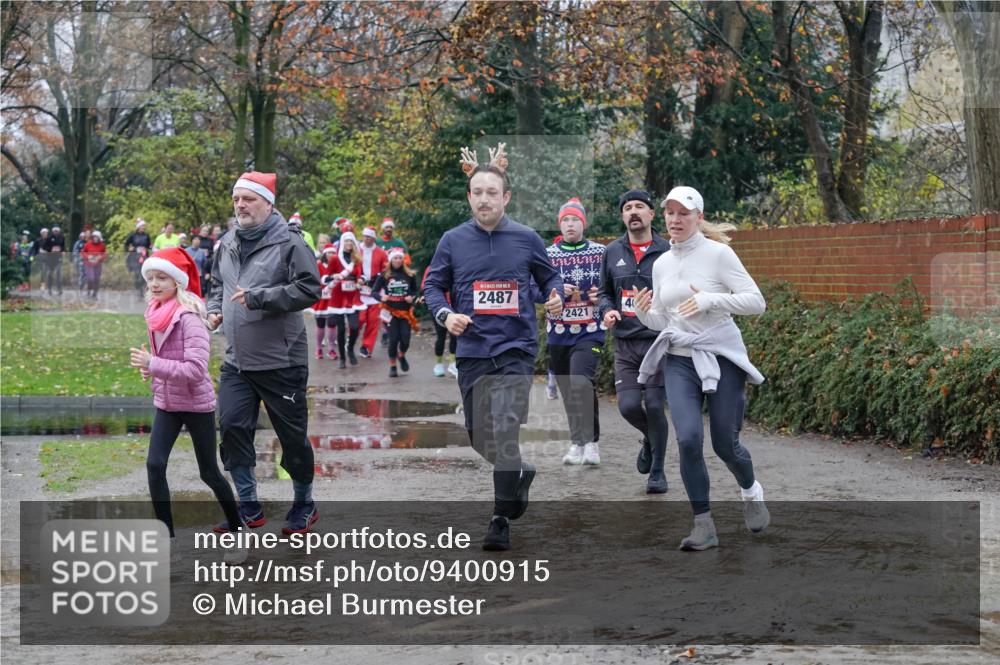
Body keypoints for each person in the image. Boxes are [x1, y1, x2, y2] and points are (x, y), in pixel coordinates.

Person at [424, 143, 563, 551]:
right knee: (478, 436)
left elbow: (548, 277)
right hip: (471, 351)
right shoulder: (452, 240)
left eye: (492, 192)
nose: (484, 199)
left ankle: (499, 518)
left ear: (505, 197)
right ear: (469, 197)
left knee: (504, 432)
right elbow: (433, 287)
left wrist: (554, 295)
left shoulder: (526, 238)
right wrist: (446, 315)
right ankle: (520, 470)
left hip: (516, 348)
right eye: (477, 192)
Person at [634, 186, 769, 551]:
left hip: (721, 355)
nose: (675, 220)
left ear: (698, 217)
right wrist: (643, 313)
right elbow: (664, 318)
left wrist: (710, 298)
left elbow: (757, 303)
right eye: (670, 213)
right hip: (679, 358)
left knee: (726, 444)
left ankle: (750, 490)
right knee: (689, 439)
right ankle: (703, 525)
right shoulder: (661, 264)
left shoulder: (719, 255)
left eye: (683, 213)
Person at [207, 171, 322, 535]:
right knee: (233, 428)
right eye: (236, 199)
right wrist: (214, 310)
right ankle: (249, 506)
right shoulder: (226, 242)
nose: (240, 205)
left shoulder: (291, 243)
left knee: (292, 438)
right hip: (237, 361)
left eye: (249, 198)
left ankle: (304, 504)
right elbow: (216, 284)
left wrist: (262, 298)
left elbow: (309, 289)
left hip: (281, 361)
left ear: (268, 203)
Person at [129, 247, 245, 562]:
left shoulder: (190, 318)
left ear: (177, 282)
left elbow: (195, 371)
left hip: (196, 405)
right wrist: (150, 368)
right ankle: (164, 537)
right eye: (150, 277)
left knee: (209, 472)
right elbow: (166, 360)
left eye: (161, 277)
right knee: (154, 466)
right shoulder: (155, 311)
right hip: (167, 401)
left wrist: (153, 363)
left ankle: (238, 532)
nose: (154, 283)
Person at [597, 189, 671, 494]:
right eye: (628, 208)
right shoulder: (612, 252)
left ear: (652, 214)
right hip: (626, 344)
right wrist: (608, 310)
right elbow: (603, 293)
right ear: (622, 216)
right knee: (628, 407)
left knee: (654, 406)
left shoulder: (668, 251)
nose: (633, 212)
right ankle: (650, 440)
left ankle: (658, 471)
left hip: (657, 342)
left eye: (640, 206)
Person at [543, 198, 606, 466]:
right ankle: (576, 442)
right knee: (569, 389)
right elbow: (537, 287)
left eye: (575, 219)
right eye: (566, 220)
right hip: (558, 331)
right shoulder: (548, 255)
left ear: (584, 223)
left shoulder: (601, 252)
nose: (570, 224)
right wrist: (552, 292)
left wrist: (599, 296)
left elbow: (611, 287)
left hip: (589, 331)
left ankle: (592, 443)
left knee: (582, 381)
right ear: (560, 224)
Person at [372, 247, 419, 377]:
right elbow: (374, 292)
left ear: (403, 259)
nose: (398, 260)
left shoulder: (409, 275)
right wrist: (382, 297)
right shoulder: (384, 275)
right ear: (390, 260)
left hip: (405, 312)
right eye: (395, 258)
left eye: (400, 258)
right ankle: (392, 365)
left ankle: (401, 355)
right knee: (393, 340)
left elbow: (416, 291)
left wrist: (412, 297)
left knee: (405, 339)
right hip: (390, 312)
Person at [327, 231, 364, 368]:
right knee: (341, 330)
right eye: (347, 241)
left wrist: (361, 280)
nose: (349, 244)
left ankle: (350, 349)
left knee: (355, 326)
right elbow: (325, 277)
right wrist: (334, 276)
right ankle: (342, 357)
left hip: (353, 297)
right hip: (338, 297)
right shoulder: (335, 259)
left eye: (351, 241)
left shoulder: (357, 259)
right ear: (343, 243)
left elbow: (362, 275)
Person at [420, 265, 457, 378]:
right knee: (441, 335)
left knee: (455, 335)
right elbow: (426, 285)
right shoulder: (432, 267)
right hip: (439, 306)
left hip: (455, 304)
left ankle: (453, 363)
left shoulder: (458, 265)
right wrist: (424, 296)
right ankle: (438, 364)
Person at [357, 226, 388, 359]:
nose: (366, 239)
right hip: (359, 290)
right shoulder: (357, 250)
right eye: (364, 236)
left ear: (374, 238)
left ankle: (366, 347)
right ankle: (351, 337)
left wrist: (378, 279)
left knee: (373, 321)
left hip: (375, 291)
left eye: (369, 236)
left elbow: (386, 270)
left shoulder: (381, 252)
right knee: (360, 319)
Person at [314, 244, 340, 360]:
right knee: (320, 324)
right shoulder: (319, 265)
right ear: (324, 254)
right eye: (329, 252)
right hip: (321, 299)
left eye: (333, 253)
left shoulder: (338, 266)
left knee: (332, 324)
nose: (331, 255)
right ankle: (319, 348)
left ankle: (331, 349)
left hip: (333, 299)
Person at [125, 219, 153, 297]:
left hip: (144, 256)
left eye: (144, 226)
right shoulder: (133, 235)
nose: (143, 227)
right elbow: (126, 245)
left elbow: (149, 245)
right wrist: (130, 249)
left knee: (144, 273)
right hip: (135, 257)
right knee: (137, 274)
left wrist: (151, 247)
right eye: (142, 226)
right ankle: (138, 290)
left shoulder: (146, 235)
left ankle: (143, 289)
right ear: (138, 227)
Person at [82, 230, 108, 298]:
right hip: (89, 264)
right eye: (94, 237)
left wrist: (100, 257)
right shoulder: (88, 244)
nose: (95, 239)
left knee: (97, 279)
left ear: (99, 238)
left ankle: (95, 293)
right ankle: (88, 291)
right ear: (92, 237)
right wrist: (88, 256)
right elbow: (83, 252)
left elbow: (105, 254)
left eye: (97, 237)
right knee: (90, 278)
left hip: (97, 265)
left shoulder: (102, 245)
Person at [42, 225, 66, 295]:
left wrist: (63, 251)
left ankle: (59, 289)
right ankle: (49, 289)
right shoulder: (49, 238)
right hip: (50, 259)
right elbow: (45, 247)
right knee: (49, 274)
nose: (56, 231)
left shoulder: (62, 237)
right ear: (53, 231)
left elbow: (63, 246)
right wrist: (51, 249)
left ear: (59, 231)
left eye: (57, 230)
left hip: (58, 258)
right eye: (55, 230)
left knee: (58, 273)